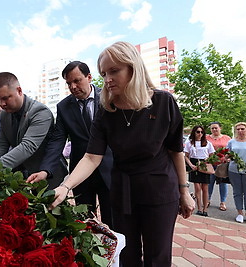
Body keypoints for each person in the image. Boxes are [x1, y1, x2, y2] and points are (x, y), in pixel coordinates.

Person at [50, 41, 195, 266]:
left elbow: (175, 150)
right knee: (126, 255)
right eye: (104, 73)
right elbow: (91, 157)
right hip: (123, 192)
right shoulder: (106, 110)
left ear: (133, 68)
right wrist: (65, 186)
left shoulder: (163, 102)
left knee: (158, 256)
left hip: (159, 190)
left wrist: (184, 191)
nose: (107, 79)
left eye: (114, 71)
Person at [27, 61, 114, 228]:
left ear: (89, 77)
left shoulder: (109, 97)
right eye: (68, 83)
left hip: (110, 170)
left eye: (77, 81)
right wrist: (46, 170)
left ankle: (116, 254)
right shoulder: (64, 107)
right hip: (79, 174)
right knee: (84, 222)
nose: (73, 87)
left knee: (113, 220)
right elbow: (56, 142)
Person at [0, 72, 67, 179]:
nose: (2, 104)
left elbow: (27, 147)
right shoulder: (4, 114)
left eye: (6, 98)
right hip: (23, 176)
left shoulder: (40, 112)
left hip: (48, 175)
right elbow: (2, 143)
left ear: (19, 91)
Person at [184, 126, 215, 217]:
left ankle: (205, 209)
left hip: (204, 164)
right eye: (198, 132)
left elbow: (212, 155)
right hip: (194, 163)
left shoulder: (207, 143)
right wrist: (190, 165)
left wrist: (207, 159)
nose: (200, 134)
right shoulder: (190, 143)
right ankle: (199, 208)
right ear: (194, 132)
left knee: (205, 188)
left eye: (201, 132)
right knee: (197, 187)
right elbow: (186, 155)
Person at [206, 122, 231, 211]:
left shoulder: (226, 138)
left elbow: (230, 150)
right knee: (209, 183)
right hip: (210, 163)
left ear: (220, 128)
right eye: (212, 128)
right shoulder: (207, 138)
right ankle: (207, 200)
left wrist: (228, 158)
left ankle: (222, 202)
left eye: (216, 128)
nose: (214, 130)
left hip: (222, 164)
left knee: (223, 184)